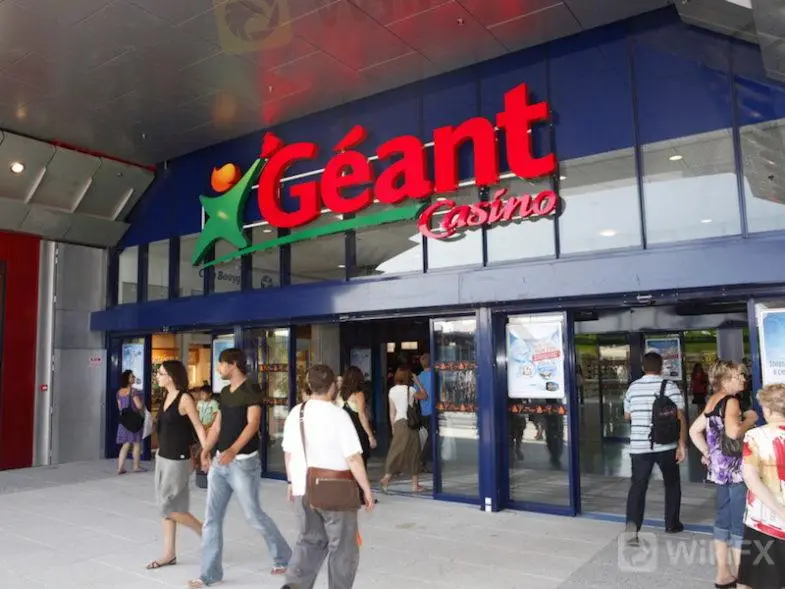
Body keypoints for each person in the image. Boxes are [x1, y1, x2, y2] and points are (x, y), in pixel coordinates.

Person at [189, 348, 291, 588]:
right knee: (211, 519)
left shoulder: (251, 390)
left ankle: (284, 556)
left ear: (233, 364)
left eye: (221, 364)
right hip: (219, 463)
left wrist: (233, 450)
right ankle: (210, 574)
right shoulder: (224, 393)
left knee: (254, 516)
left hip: (243, 464)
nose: (218, 368)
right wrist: (205, 450)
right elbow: (217, 426)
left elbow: (253, 424)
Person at [281, 364, 374, 589]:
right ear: (333, 386)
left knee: (308, 541)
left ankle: (294, 584)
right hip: (336, 490)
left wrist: (291, 481)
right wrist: (366, 490)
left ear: (309, 385)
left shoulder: (296, 413)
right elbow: (353, 458)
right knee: (343, 548)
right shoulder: (339, 415)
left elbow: (289, 453)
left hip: (303, 487)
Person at [689, 360, 758, 589]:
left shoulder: (713, 400)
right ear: (727, 379)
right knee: (738, 523)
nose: (744, 378)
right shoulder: (732, 402)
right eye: (740, 375)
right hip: (736, 472)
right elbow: (734, 432)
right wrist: (750, 419)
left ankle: (723, 574)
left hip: (719, 471)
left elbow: (694, 430)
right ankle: (742, 580)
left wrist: (708, 453)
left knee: (722, 520)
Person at [147, 360, 208, 571]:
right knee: (170, 507)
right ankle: (169, 553)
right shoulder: (167, 396)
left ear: (171, 376)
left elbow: (198, 427)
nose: (158, 376)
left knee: (167, 507)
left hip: (178, 459)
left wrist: (205, 452)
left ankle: (206, 532)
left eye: (161, 373)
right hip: (163, 457)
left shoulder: (185, 398)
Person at [623, 351, 687, 545]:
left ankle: (632, 532)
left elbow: (627, 416)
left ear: (643, 367)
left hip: (639, 446)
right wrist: (682, 444)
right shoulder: (670, 387)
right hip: (666, 445)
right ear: (661, 367)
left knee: (638, 487)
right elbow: (681, 416)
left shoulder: (633, 388)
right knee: (672, 484)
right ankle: (672, 524)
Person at [737, 383, 785, 589]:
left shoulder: (755, 436)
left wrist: (781, 512)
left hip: (765, 520)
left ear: (769, 409)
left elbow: (751, 478)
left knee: (753, 580)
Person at [380, 367, 426, 494]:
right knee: (414, 451)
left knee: (396, 451)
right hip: (409, 423)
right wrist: (417, 382)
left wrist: (393, 428)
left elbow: (392, 412)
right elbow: (424, 396)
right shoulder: (410, 390)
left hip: (398, 423)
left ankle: (387, 477)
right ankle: (414, 485)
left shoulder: (392, 391)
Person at [116, 369, 145, 475]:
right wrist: (142, 401)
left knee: (126, 444)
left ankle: (120, 468)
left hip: (124, 421)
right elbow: (139, 406)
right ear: (127, 379)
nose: (134, 377)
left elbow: (120, 407)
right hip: (134, 421)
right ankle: (136, 466)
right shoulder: (133, 392)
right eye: (132, 376)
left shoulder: (119, 392)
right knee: (136, 443)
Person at [414, 354, 433, 472]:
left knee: (429, 436)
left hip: (424, 411)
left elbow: (416, 396)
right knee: (432, 437)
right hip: (436, 410)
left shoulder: (419, 378)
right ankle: (422, 460)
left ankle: (424, 461)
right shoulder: (437, 375)